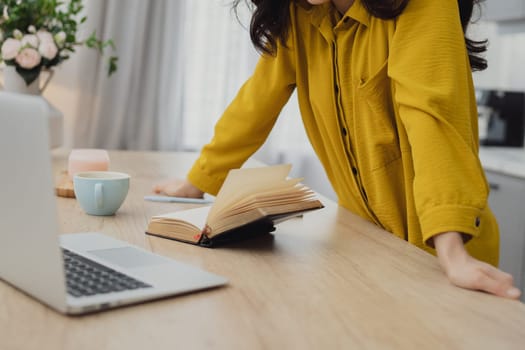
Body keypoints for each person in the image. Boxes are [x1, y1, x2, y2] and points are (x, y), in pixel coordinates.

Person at [154, 0, 521, 299]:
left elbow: (431, 117)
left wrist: (453, 253)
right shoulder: (300, 15)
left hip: (442, 253)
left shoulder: (423, 4)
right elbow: (255, 102)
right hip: (370, 248)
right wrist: (198, 179)